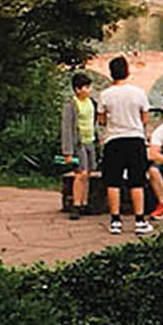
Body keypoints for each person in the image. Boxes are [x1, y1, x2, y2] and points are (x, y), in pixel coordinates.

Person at [95, 56, 156, 235]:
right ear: (127, 71)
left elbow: (102, 120)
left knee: (113, 181)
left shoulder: (105, 94)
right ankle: (139, 220)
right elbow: (145, 118)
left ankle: (115, 221)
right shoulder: (138, 93)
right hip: (135, 139)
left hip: (114, 140)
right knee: (137, 181)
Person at [58, 71, 97, 218]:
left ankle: (85, 203)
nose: (87, 90)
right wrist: (67, 151)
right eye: (84, 88)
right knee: (80, 174)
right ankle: (76, 204)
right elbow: (67, 128)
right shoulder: (71, 105)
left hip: (90, 141)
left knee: (88, 173)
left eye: (88, 87)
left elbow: (94, 122)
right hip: (78, 143)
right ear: (77, 89)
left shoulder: (92, 102)